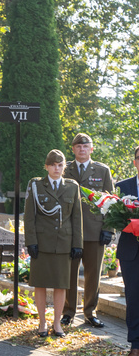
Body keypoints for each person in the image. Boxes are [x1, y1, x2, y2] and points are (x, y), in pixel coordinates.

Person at [24, 149, 83, 338]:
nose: (56, 168)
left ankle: (57, 323)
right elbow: (29, 216)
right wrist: (31, 241)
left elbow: (77, 218)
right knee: (40, 284)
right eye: (53, 165)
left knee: (60, 285)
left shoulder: (72, 187)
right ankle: (42, 322)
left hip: (63, 243)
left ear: (64, 167)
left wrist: (77, 244)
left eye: (60, 165)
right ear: (46, 167)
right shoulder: (35, 185)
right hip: (41, 243)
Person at [62, 133, 114, 328]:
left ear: (91, 149)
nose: (82, 149)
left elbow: (111, 201)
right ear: (73, 149)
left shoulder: (102, 170)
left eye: (85, 146)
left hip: (94, 230)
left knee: (93, 275)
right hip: (70, 231)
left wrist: (108, 229)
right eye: (78, 146)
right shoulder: (64, 169)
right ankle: (68, 312)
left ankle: (90, 313)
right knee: (69, 274)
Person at [116, 147, 139, 356]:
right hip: (131, 251)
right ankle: (135, 346)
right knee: (133, 298)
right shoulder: (122, 187)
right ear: (134, 162)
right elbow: (113, 218)